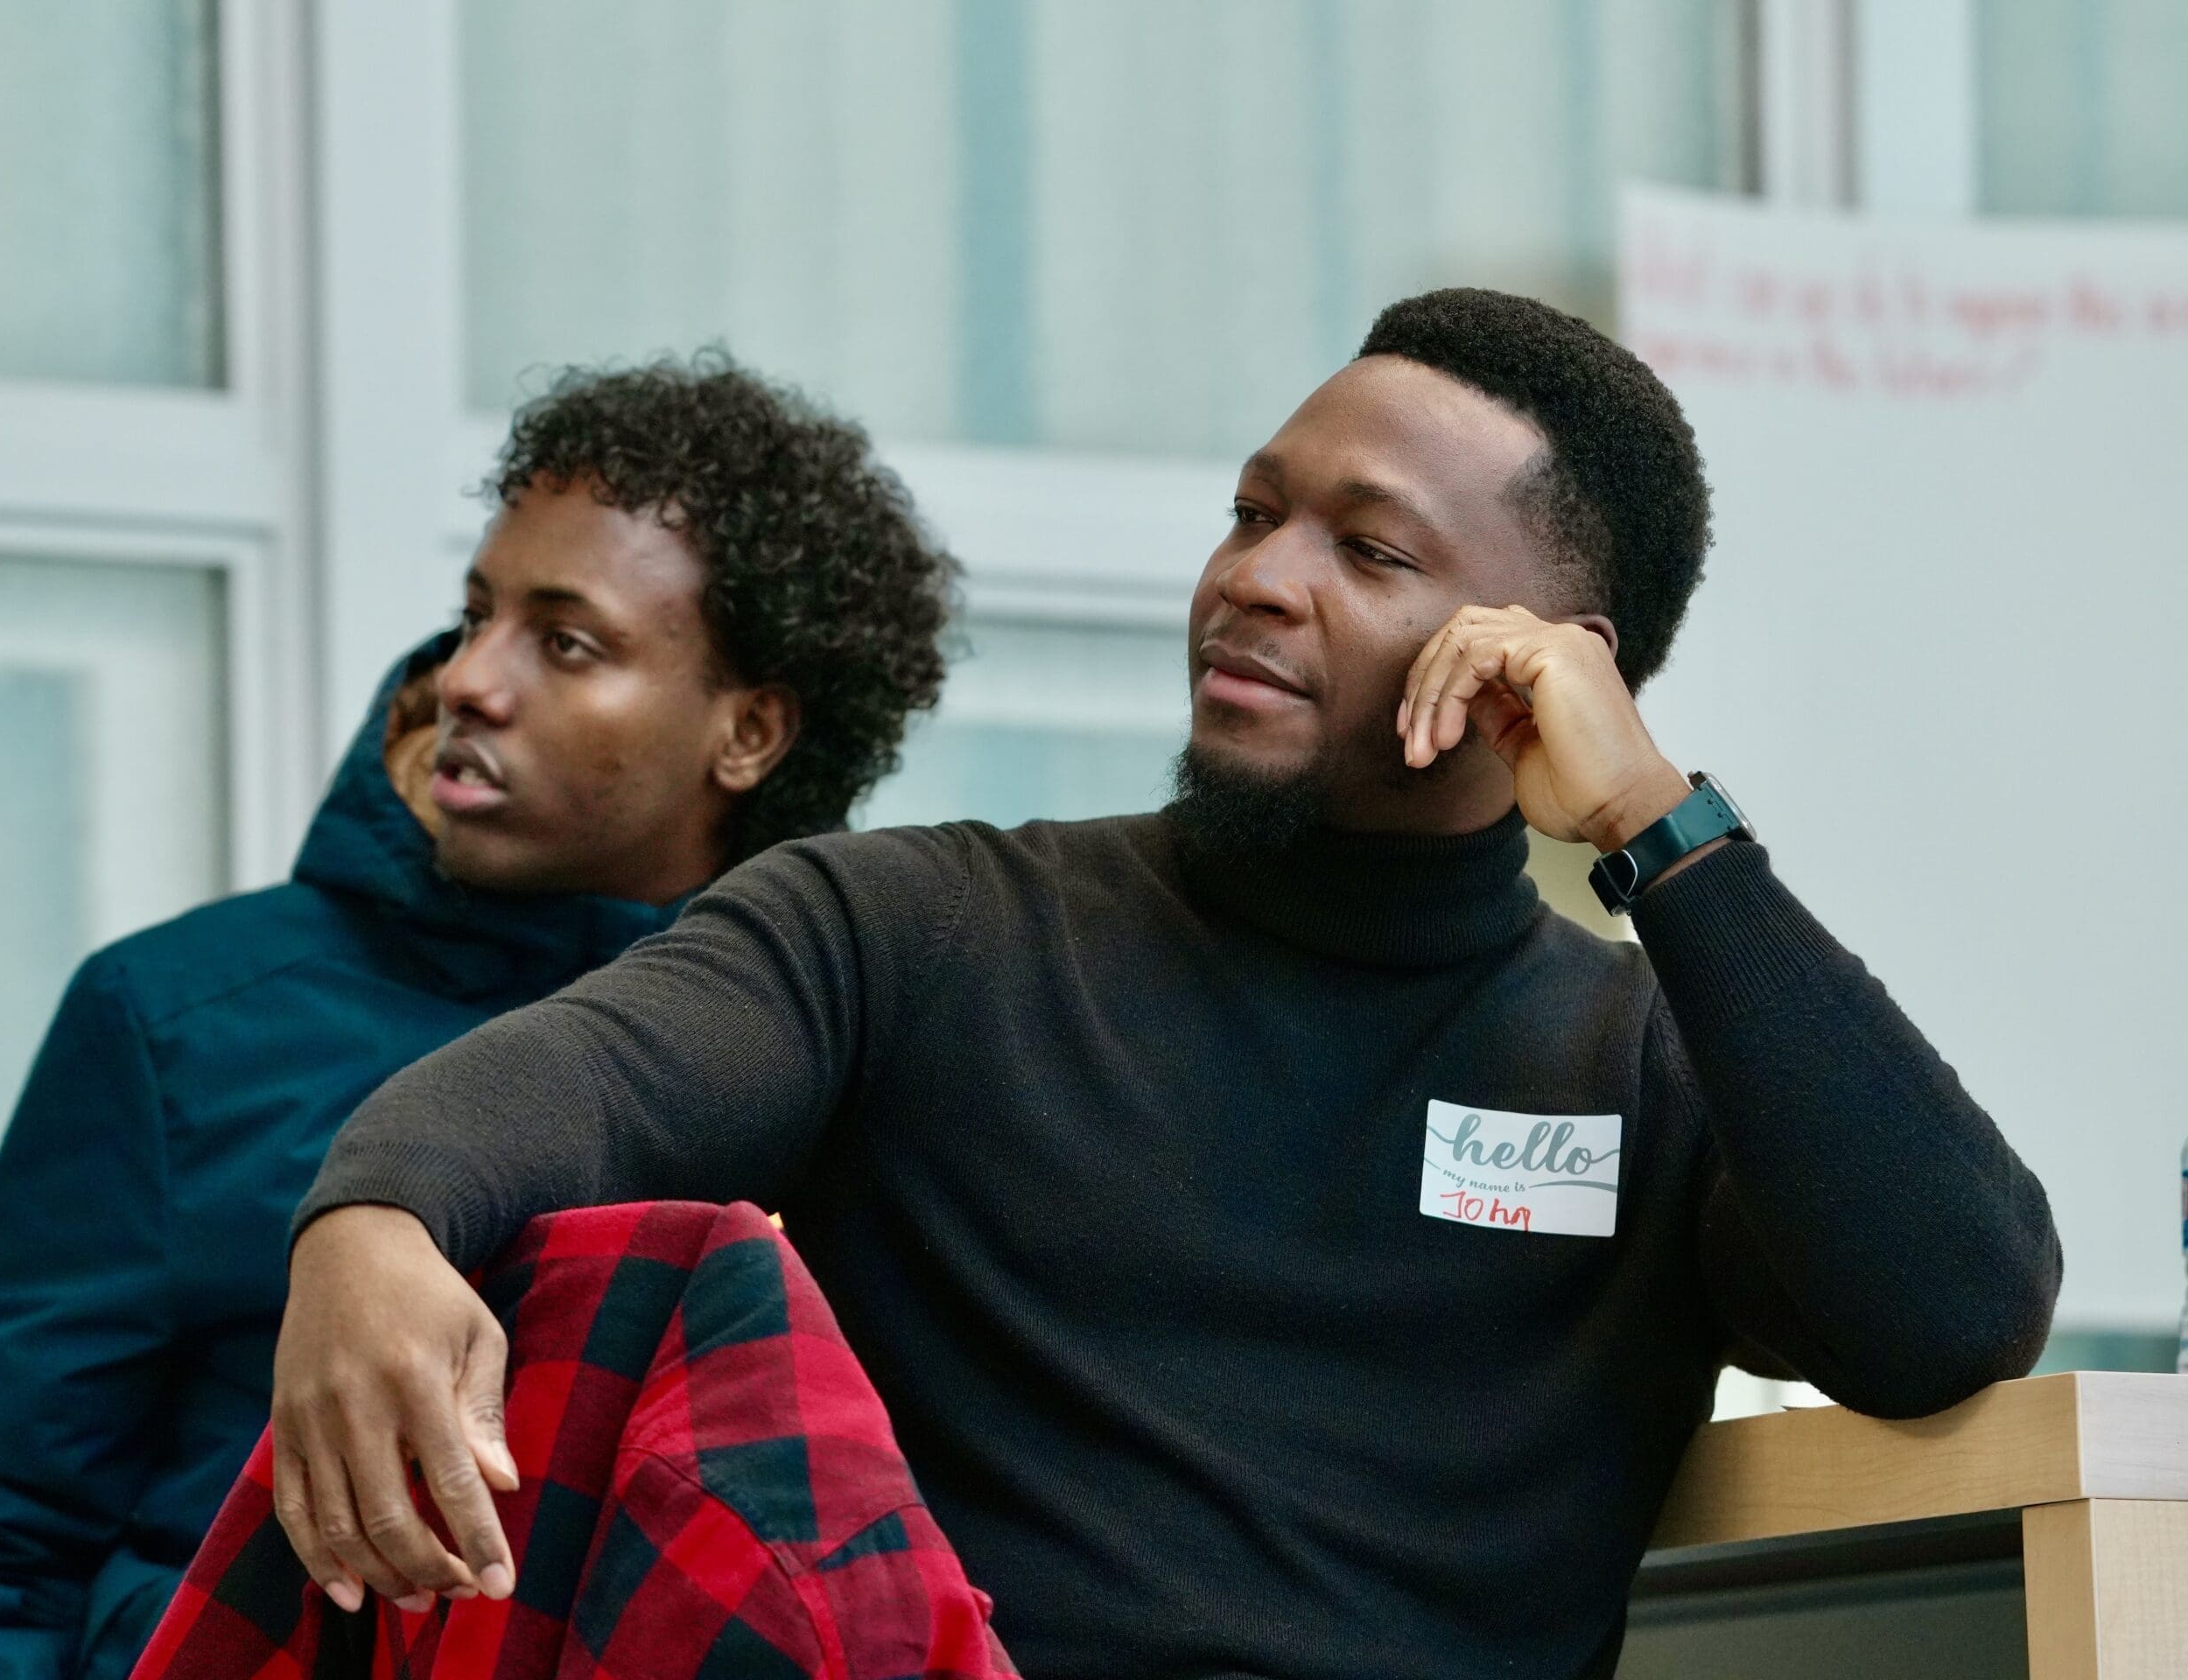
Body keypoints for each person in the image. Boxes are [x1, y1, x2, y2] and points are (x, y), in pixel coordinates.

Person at [272, 291, 2062, 1680]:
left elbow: (1951, 1304)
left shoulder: (1632, 1060)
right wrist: (374, 1222)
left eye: (1363, 552)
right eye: (1249, 512)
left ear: (1543, 665)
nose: (1252, 581)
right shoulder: (920, 928)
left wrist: (1655, 829)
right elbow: (574, 1082)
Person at [0, 352, 957, 1680]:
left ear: (749, 734)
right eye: (477, 613)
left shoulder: (869, 1075)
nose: (471, 680)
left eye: (566, 641)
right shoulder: (182, 1019)